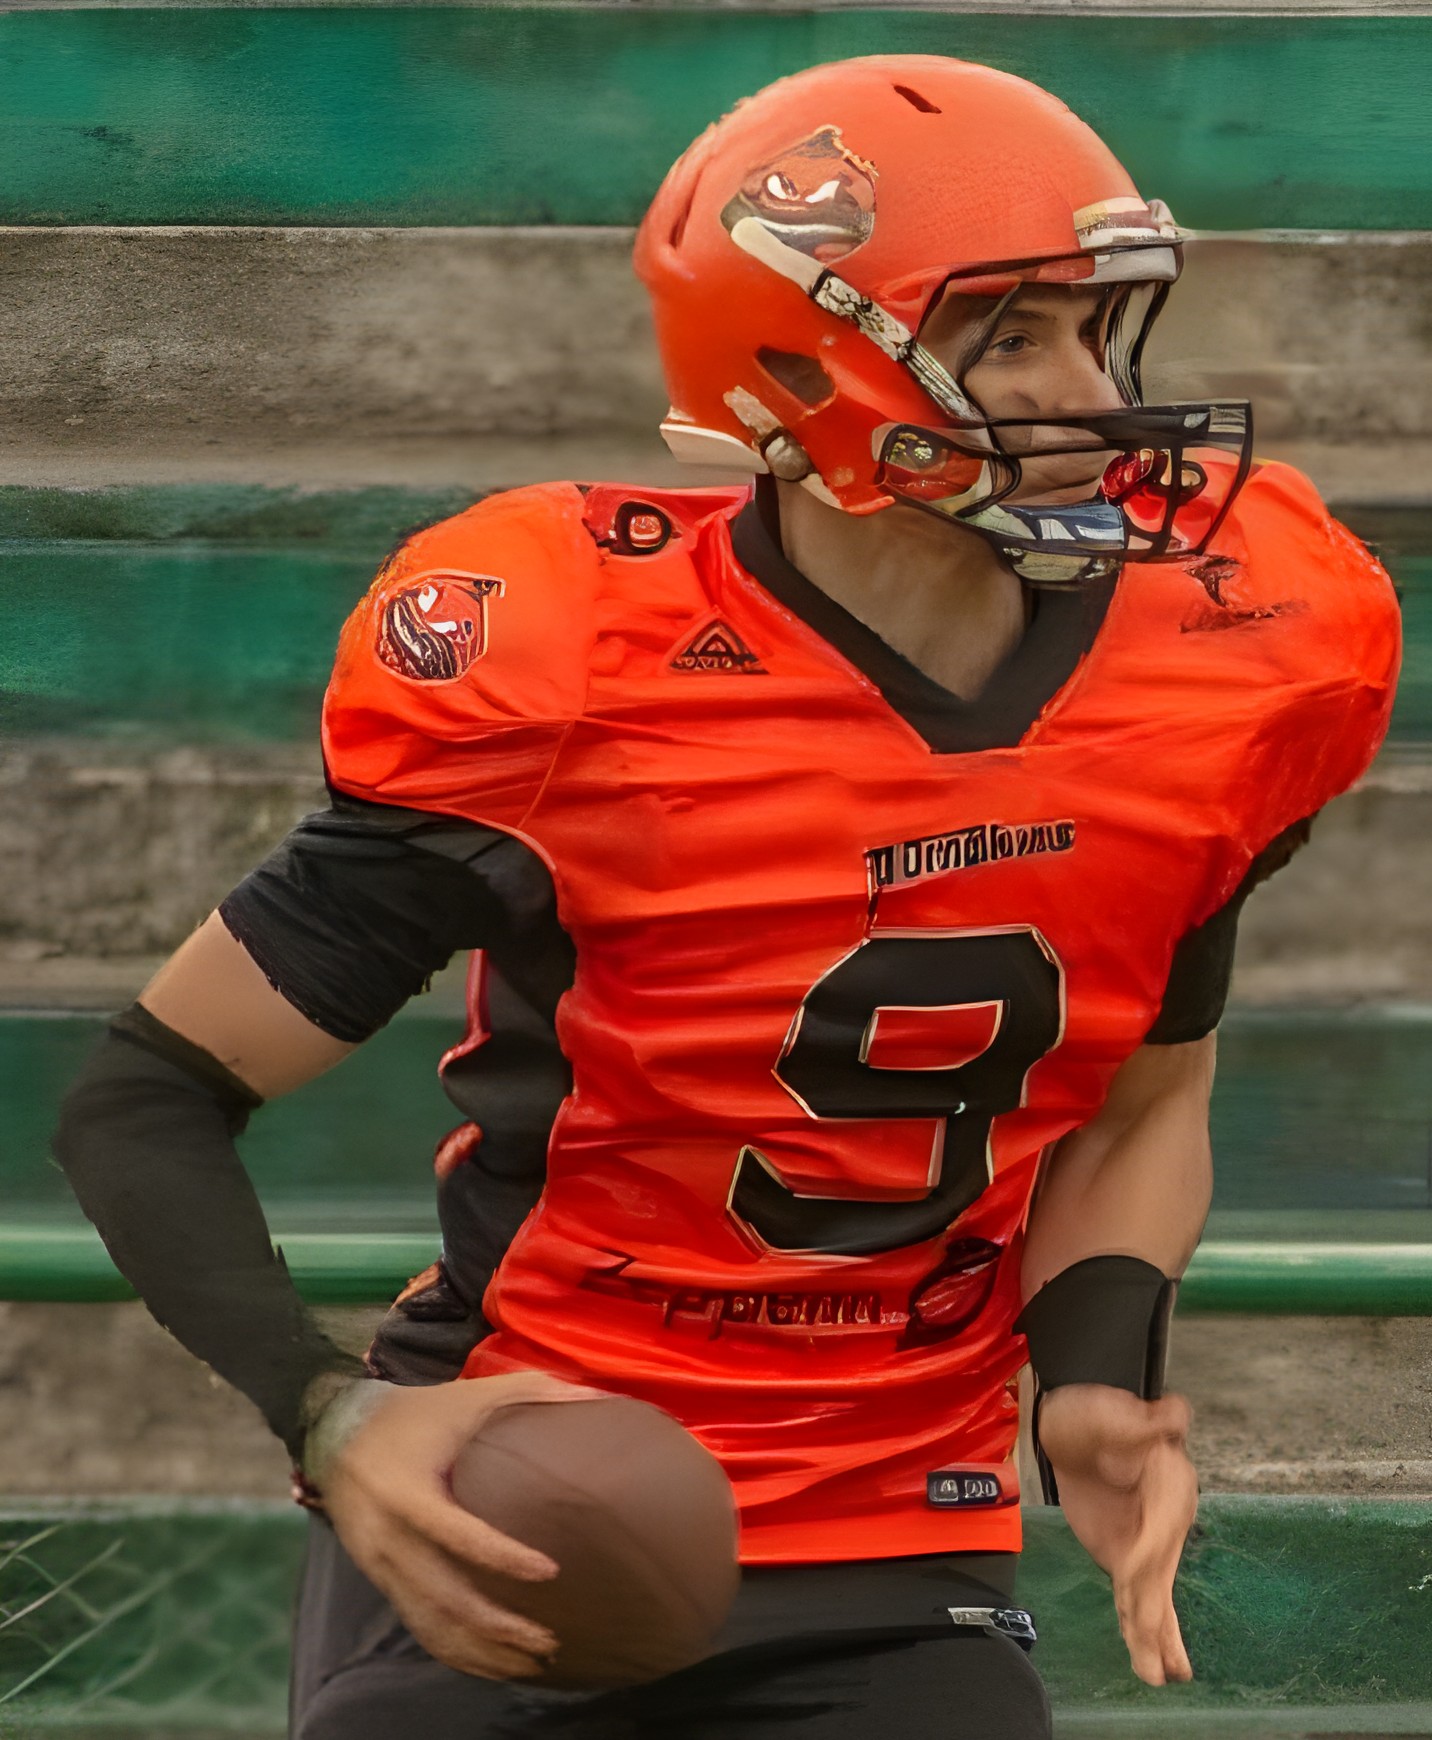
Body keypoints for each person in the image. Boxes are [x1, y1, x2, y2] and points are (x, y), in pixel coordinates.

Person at [55, 55, 1399, 1740]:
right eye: (1010, 336)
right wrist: (330, 1416)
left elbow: (1145, 1101)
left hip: (899, 1543)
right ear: (803, 370)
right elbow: (150, 1094)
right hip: (520, 1498)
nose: (1093, 389)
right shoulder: (575, 660)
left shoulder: (1230, 654)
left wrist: (1097, 1382)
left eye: (1097, 325)